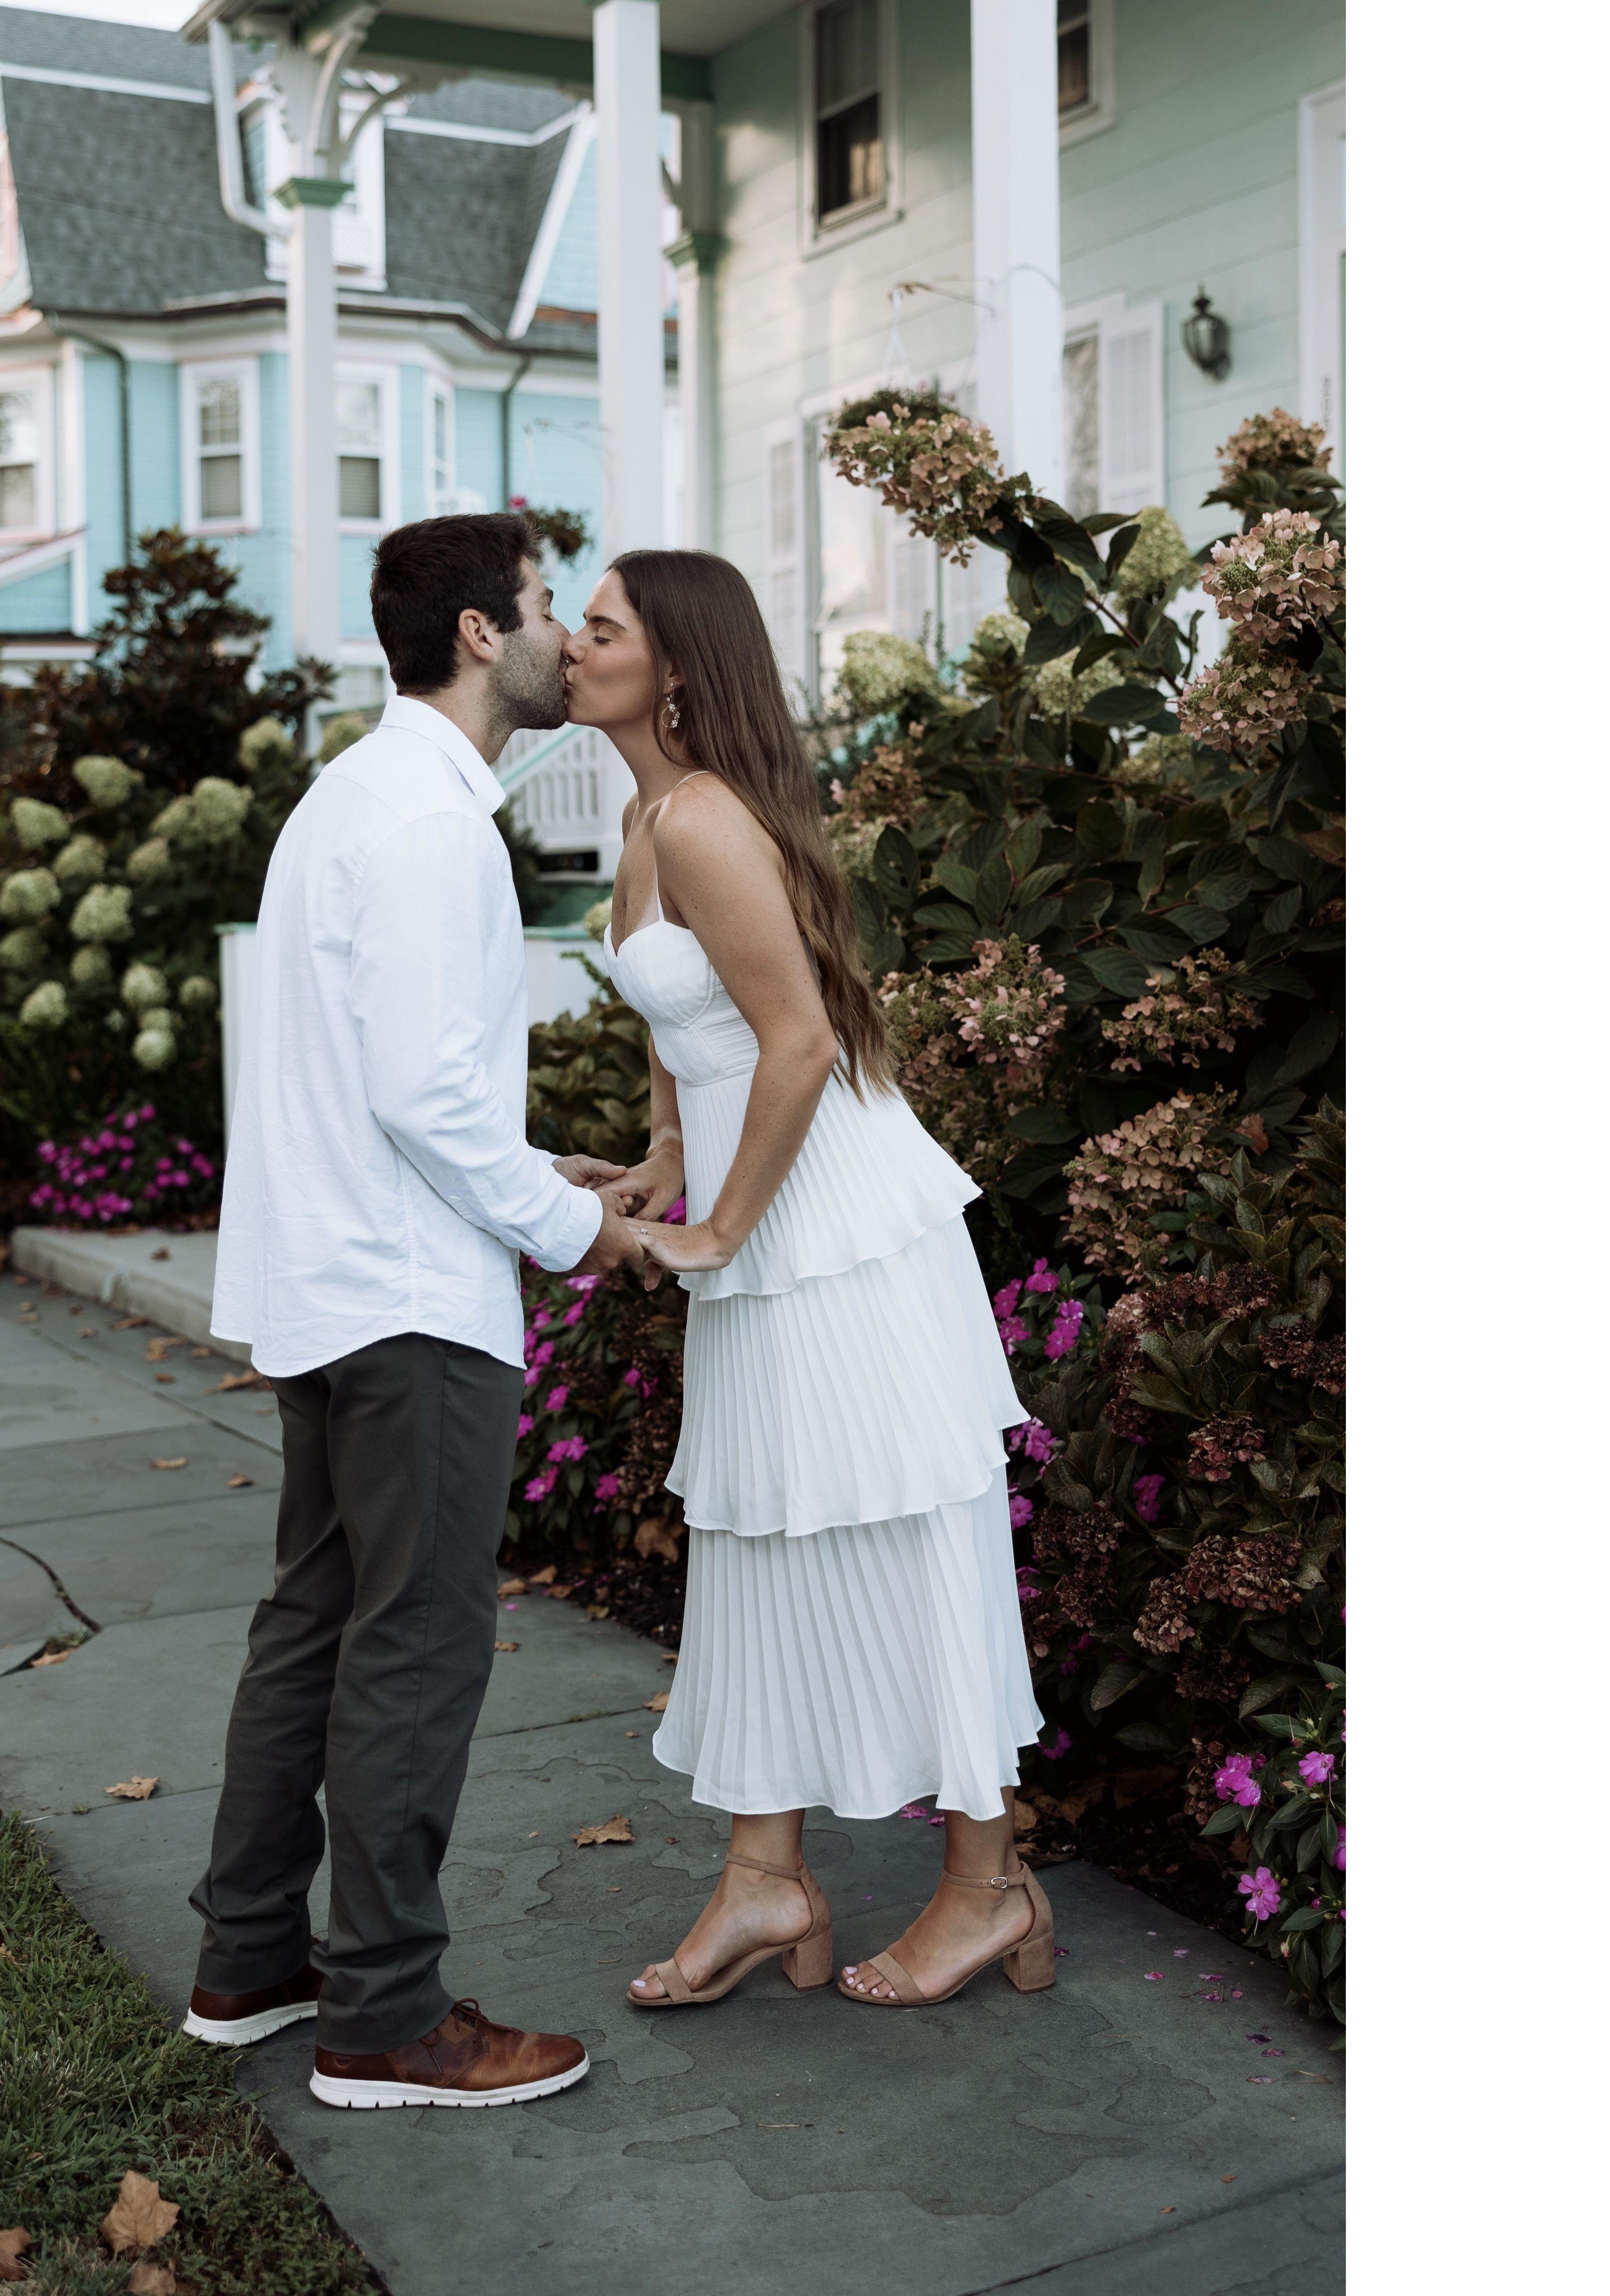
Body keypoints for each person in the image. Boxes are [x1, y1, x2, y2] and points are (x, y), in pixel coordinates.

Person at [191, 512, 645, 2109]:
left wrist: (535, 1164)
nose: (560, 633)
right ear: (476, 632)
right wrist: (573, 1225)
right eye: (543, 604)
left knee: (313, 1625)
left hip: (333, 1278)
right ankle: (384, 2016)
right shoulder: (431, 823)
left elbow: (385, 1076)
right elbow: (424, 1096)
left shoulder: (352, 796)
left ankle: (251, 1959)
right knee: (417, 1644)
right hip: (407, 1303)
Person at [567, 550, 1059, 2012]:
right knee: (761, 1532)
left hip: (830, 1220)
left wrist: (719, 1228)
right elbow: (684, 1020)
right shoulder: (650, 815)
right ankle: (764, 1875)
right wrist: (664, 1153)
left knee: (909, 1530)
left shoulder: (705, 818)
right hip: (764, 1214)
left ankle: (990, 1886)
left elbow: (796, 1041)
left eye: (601, 627)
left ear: (674, 666)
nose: (573, 646)